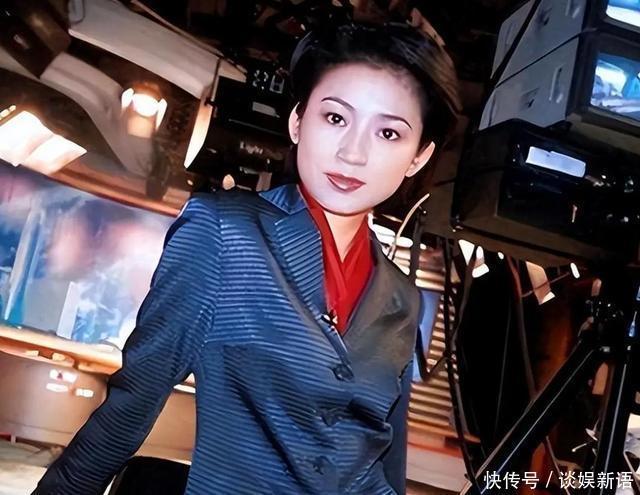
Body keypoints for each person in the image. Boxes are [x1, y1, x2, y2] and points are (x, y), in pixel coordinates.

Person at [33, 20, 460, 495]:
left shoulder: (402, 298)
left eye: (389, 133)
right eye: (336, 118)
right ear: (298, 121)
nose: (353, 153)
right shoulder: (223, 233)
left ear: (418, 157)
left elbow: (385, 455)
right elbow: (135, 398)